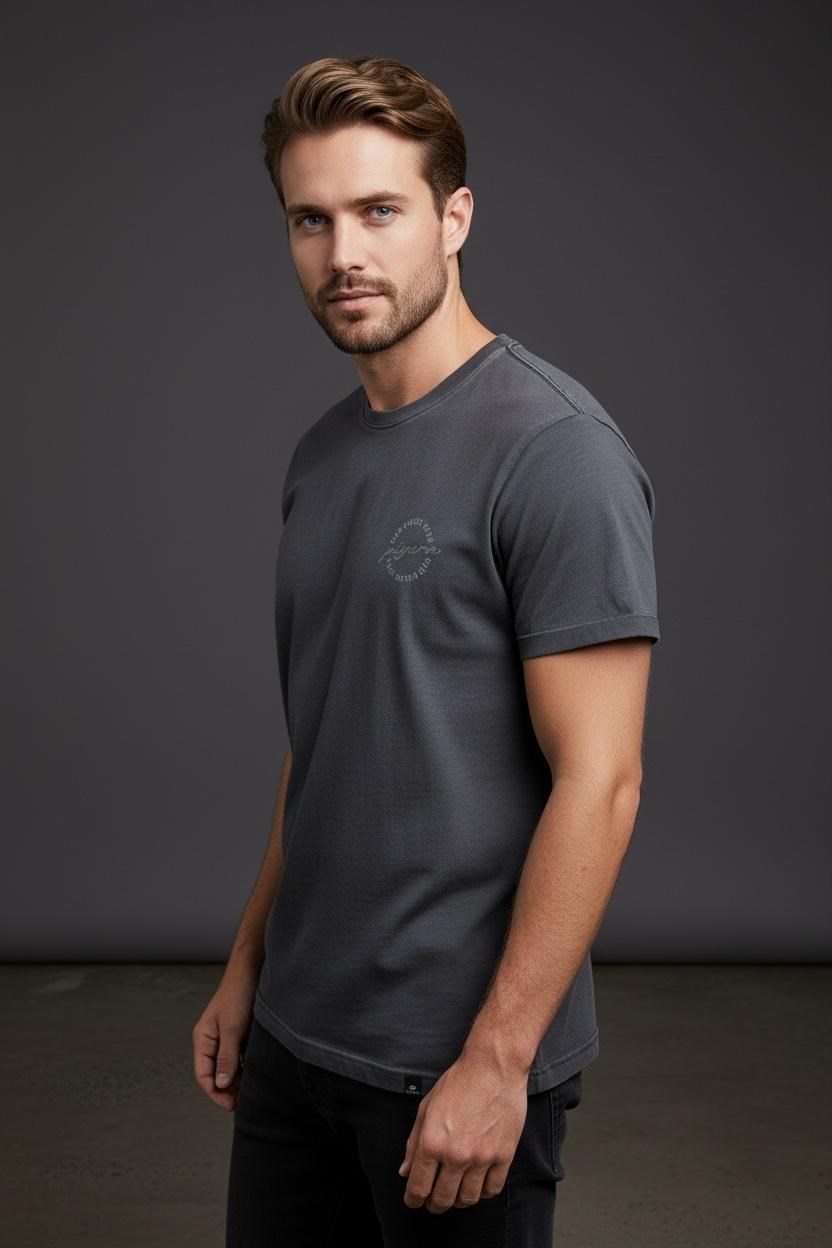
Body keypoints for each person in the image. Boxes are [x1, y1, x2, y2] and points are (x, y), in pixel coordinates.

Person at [192, 54, 660, 1247]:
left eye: (378, 211)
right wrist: (250, 963)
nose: (342, 253)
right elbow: (326, 735)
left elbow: (601, 782)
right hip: (295, 1044)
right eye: (310, 219)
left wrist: (497, 1062)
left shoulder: (556, 453)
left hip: (451, 1067)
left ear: (454, 218)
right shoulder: (321, 456)